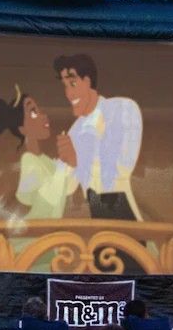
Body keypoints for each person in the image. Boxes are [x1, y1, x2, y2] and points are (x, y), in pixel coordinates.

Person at [53, 54, 143, 222]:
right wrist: (67, 163)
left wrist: (77, 160)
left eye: (72, 84)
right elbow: (66, 187)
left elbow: (121, 166)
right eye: (65, 86)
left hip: (122, 210)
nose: (68, 94)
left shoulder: (122, 108)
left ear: (87, 81)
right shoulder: (75, 131)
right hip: (97, 215)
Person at [0, 86, 77, 221]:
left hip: (50, 233)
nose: (43, 116)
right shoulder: (28, 160)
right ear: (22, 129)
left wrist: (71, 161)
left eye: (39, 111)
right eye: (33, 112)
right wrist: (63, 164)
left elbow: (67, 188)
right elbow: (49, 196)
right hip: (33, 236)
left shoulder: (45, 160)